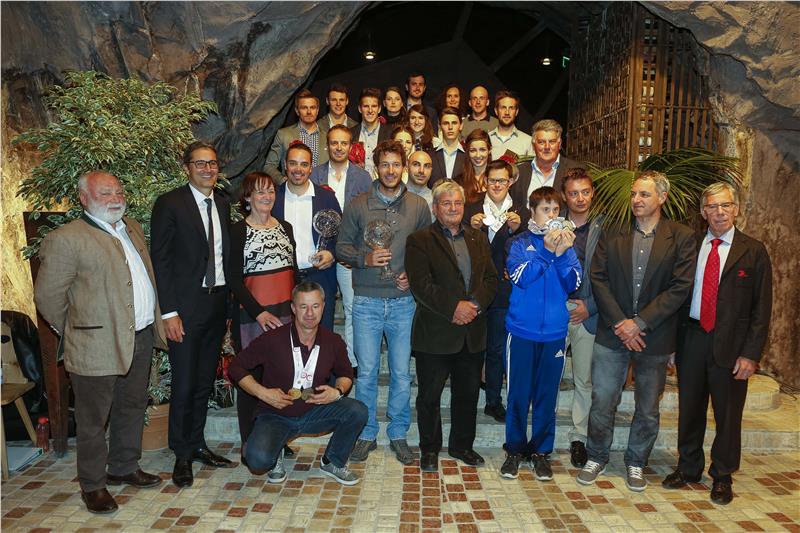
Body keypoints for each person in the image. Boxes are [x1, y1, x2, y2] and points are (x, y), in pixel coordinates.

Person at [35, 171, 166, 513]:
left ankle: (123, 466)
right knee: (93, 419)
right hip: (94, 345)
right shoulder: (66, 238)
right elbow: (48, 297)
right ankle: (93, 485)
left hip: (140, 335)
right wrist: (79, 329)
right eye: (105, 193)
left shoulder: (131, 227)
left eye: (118, 191)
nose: (115, 198)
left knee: (131, 406)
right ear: (84, 198)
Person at [577, 171, 696, 492]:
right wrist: (621, 322)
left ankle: (636, 461)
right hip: (612, 332)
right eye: (633, 194)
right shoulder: (613, 230)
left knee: (647, 407)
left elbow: (680, 287)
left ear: (662, 197)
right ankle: (596, 456)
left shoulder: (682, 237)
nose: (636, 200)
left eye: (644, 194)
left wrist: (639, 323)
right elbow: (598, 278)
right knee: (602, 400)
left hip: (654, 337)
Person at [662, 182, 772, 505]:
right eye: (712, 206)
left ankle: (722, 475)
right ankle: (688, 467)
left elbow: (762, 309)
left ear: (736, 209)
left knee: (728, 414)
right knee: (690, 409)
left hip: (732, 346)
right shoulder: (690, 245)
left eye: (725, 205)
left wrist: (751, 354)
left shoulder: (754, 251)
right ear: (703, 212)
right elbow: (676, 297)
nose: (719, 212)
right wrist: (671, 344)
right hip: (692, 338)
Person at [336, 140, 431, 465]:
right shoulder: (358, 204)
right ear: (376, 168)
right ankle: (365, 434)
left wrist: (413, 277)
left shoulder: (418, 206)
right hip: (367, 301)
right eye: (385, 164)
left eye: (396, 164)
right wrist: (364, 258)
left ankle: (398, 433)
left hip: (404, 303)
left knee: (402, 374)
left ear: (403, 167)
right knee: (366, 373)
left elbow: (427, 251)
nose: (391, 170)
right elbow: (341, 247)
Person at [151, 142, 237, 488]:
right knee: (184, 383)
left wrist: (228, 309)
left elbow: (223, 259)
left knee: (204, 382)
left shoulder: (223, 204)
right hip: (184, 310)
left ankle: (198, 443)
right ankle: (181, 453)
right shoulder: (170, 203)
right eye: (200, 163)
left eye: (212, 163)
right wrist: (169, 312)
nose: (207, 169)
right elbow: (161, 261)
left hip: (216, 305)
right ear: (186, 167)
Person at [229, 282, 368, 485]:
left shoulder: (333, 341)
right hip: (276, 414)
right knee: (257, 461)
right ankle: (275, 453)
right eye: (303, 306)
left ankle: (332, 461)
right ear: (293, 308)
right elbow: (236, 367)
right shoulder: (273, 339)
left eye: (315, 306)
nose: (310, 313)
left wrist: (338, 391)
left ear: (323, 306)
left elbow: (346, 374)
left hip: (314, 410)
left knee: (358, 410)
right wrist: (262, 393)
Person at [405, 181, 498, 472]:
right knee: (429, 397)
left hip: (472, 333)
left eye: (458, 203)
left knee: (468, 395)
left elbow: (491, 279)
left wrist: (474, 306)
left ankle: (462, 446)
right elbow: (421, 285)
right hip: (435, 332)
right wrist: (454, 308)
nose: (453, 208)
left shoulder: (478, 238)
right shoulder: (419, 240)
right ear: (435, 208)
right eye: (446, 203)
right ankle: (429, 449)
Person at [500, 186, 581, 480]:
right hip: (522, 331)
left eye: (556, 210)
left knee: (547, 397)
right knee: (518, 395)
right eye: (545, 209)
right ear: (532, 212)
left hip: (555, 334)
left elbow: (574, 282)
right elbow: (520, 277)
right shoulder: (519, 242)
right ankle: (514, 450)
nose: (552, 215)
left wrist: (561, 254)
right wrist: (547, 251)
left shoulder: (567, 247)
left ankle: (540, 452)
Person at [228, 171, 298, 451]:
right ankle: (251, 444)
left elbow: (293, 271)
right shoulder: (238, 231)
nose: (267, 196)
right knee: (252, 380)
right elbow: (234, 279)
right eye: (260, 191)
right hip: (253, 317)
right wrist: (258, 313)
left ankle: (277, 438)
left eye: (270, 190)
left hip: (285, 314)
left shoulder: (286, 227)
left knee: (281, 376)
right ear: (247, 198)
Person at [465, 159, 525, 423]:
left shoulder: (521, 212)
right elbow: (459, 246)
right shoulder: (471, 209)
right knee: (472, 347)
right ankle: (467, 398)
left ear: (510, 182)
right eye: (492, 180)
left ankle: (493, 401)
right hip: (475, 289)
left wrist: (519, 229)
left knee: (497, 348)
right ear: (485, 182)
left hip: (504, 291)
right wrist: (471, 228)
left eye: (502, 180)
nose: (497, 185)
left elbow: (530, 248)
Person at [310, 125, 372, 370]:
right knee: (319, 308)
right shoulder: (314, 174)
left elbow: (368, 216)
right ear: (327, 146)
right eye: (334, 143)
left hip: (349, 251)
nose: (338, 147)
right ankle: (316, 359)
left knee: (352, 307)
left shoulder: (363, 177)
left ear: (351, 146)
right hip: (320, 250)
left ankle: (352, 362)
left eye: (343, 143)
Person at [560, 168, 604, 469]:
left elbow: (614, 274)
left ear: (592, 193)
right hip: (555, 311)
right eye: (573, 193)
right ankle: (542, 433)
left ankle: (579, 437)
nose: (580, 198)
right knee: (549, 376)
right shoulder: (552, 224)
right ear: (565, 196)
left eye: (585, 192)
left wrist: (590, 306)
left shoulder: (607, 227)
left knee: (584, 380)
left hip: (588, 312)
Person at [273, 142, 341, 330]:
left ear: (311, 168)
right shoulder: (273, 198)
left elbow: (342, 235)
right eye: (293, 163)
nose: (298, 169)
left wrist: (332, 253)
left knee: (322, 337)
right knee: (284, 337)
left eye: (304, 164)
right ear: (285, 165)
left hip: (320, 276)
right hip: (283, 279)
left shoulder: (326, 198)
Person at [510, 119, 583, 209]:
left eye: (552, 142)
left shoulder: (575, 170)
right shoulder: (519, 172)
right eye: (541, 142)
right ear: (533, 145)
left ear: (559, 144)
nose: (547, 147)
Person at [264, 89, 328, 182]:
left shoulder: (328, 137)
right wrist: (283, 180)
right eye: (304, 108)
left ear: (317, 110)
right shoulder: (283, 134)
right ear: (297, 111)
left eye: (312, 107)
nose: (309, 112)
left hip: (320, 187)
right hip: (292, 188)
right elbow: (269, 166)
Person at [351, 87, 390, 176]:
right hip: (357, 181)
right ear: (360, 109)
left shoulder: (390, 134)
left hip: (382, 182)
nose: (370, 110)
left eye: (374, 106)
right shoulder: (351, 134)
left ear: (379, 109)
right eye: (366, 106)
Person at [489, 91, 533, 160]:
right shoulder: (487, 139)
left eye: (511, 108)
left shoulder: (528, 141)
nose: (507, 112)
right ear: (496, 111)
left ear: (516, 112)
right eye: (503, 107)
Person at [430, 107, 465, 186]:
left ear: (461, 126)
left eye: (454, 123)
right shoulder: (430, 156)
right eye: (446, 123)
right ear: (439, 126)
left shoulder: (468, 156)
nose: (450, 127)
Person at [455, 128, 492, 205]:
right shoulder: (458, 182)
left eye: (482, 150)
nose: (478, 155)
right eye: (473, 150)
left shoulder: (497, 179)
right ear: (467, 152)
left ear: (489, 150)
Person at [406, 150, 434, 214]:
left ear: (431, 170)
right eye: (416, 164)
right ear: (407, 166)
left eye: (427, 166)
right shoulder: (394, 196)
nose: (421, 171)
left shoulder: (436, 200)